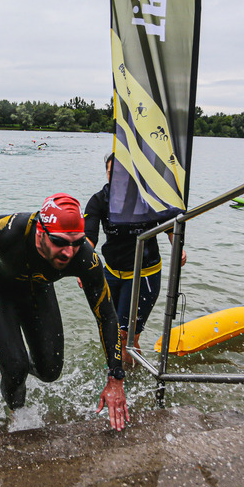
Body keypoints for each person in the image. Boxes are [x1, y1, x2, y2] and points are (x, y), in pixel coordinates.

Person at [0, 193, 129, 431]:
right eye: (60, 242)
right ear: (41, 233)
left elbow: (107, 315)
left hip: (37, 290)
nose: (69, 252)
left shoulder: (84, 258)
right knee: (16, 368)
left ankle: (7, 362)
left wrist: (115, 379)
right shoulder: (10, 229)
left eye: (77, 242)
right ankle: (15, 412)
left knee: (50, 371)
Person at [84, 154, 186, 366]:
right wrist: (83, 266)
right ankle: (122, 374)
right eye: (113, 173)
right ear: (107, 173)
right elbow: (89, 239)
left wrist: (178, 247)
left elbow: (170, 225)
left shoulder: (147, 199)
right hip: (111, 273)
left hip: (143, 275)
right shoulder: (99, 200)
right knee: (110, 330)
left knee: (126, 336)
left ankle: (127, 381)